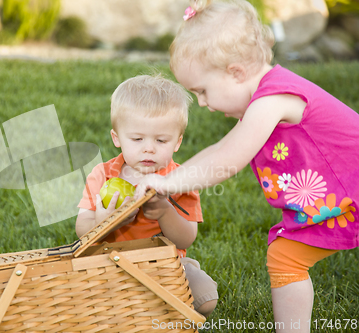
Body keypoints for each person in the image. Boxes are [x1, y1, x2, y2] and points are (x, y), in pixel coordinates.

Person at [134, 0, 359, 332]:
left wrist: (169, 183)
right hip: (344, 190)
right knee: (286, 255)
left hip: (350, 186)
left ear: (235, 72)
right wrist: (173, 178)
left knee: (287, 256)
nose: (205, 104)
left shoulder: (274, 99)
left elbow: (227, 160)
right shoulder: (268, 96)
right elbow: (222, 148)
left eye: (203, 91)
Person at [76, 74, 218, 317]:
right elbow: (82, 231)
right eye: (137, 138)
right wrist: (106, 219)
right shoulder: (102, 175)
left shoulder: (180, 179)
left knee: (205, 299)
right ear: (117, 138)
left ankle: (176, 280)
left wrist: (164, 211)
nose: (149, 148)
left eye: (161, 140)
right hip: (113, 262)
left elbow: (186, 239)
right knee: (82, 301)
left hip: (165, 264)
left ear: (177, 142)